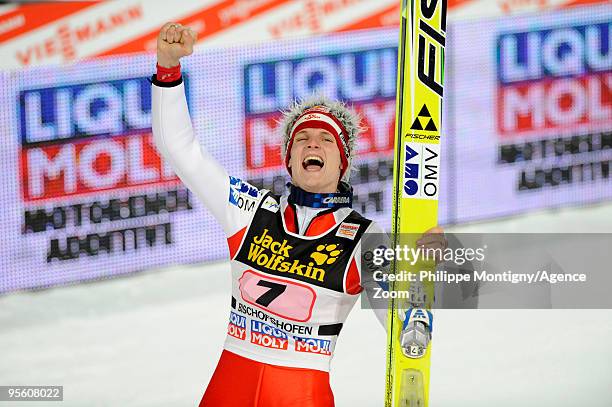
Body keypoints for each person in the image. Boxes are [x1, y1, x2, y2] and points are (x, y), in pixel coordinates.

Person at [152, 22, 445, 407]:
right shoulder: (250, 211)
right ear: (288, 160)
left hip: (302, 392)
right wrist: (167, 69)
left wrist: (420, 272)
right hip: (228, 388)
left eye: (326, 140)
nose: (313, 143)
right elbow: (179, 150)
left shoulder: (365, 238)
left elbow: (401, 324)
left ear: (342, 163)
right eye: (303, 138)